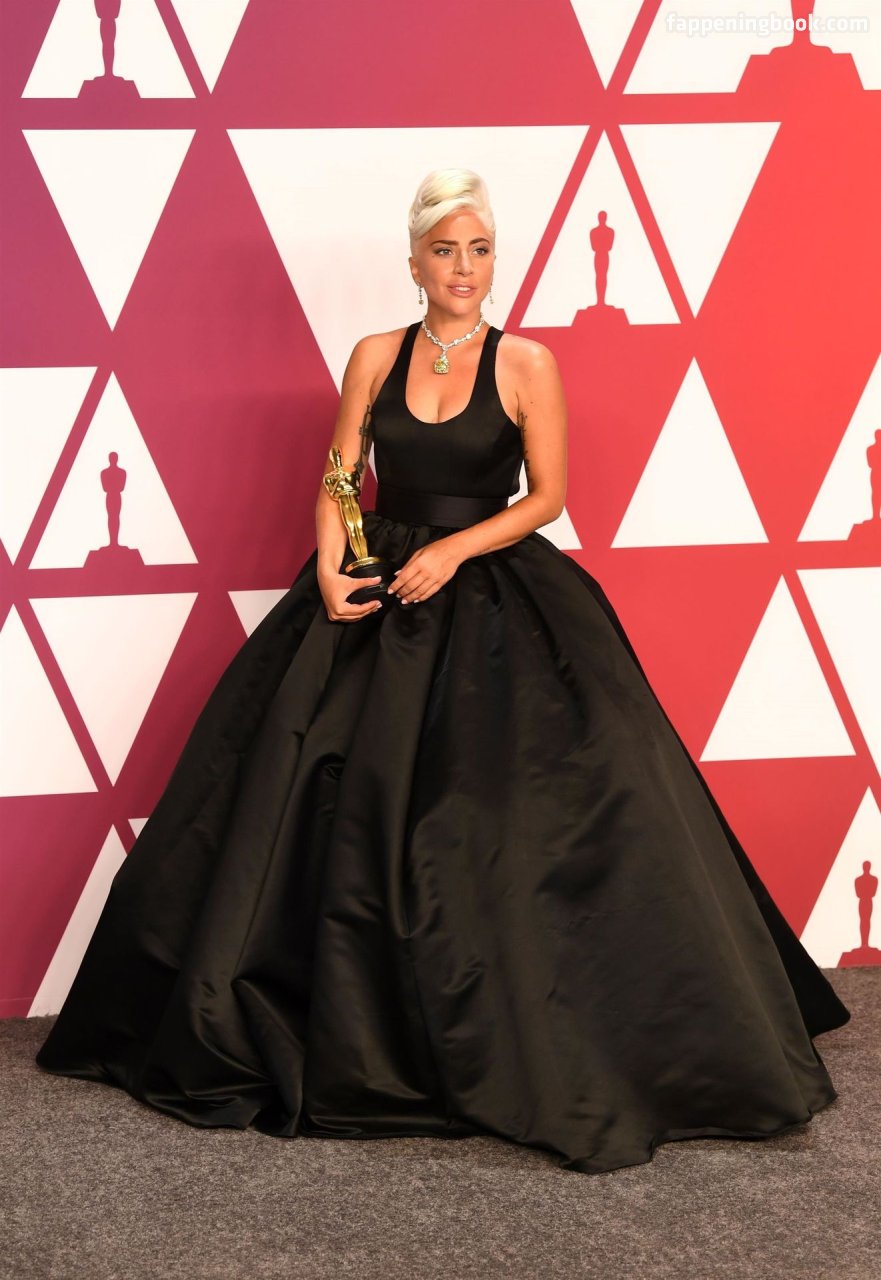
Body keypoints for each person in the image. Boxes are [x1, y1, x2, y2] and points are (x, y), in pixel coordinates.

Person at [35, 168, 850, 1176]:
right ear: (414, 261)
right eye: (444, 250)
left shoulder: (527, 363)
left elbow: (545, 497)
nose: (463, 268)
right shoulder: (374, 354)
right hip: (374, 581)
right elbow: (341, 474)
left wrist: (454, 552)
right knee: (310, 786)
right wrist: (330, 564)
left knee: (500, 810)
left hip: (490, 591)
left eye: (479, 249)